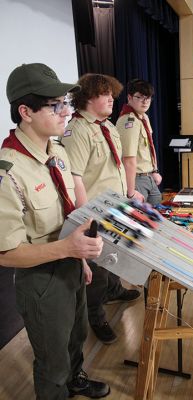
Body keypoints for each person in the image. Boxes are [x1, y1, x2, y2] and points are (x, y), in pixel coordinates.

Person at [0, 63, 110, 400]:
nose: (66, 112)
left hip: (71, 265)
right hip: (41, 278)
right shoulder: (8, 172)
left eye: (66, 103)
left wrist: (82, 260)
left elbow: (67, 217)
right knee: (52, 359)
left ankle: (76, 378)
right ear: (25, 112)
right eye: (55, 105)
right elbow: (7, 254)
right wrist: (69, 251)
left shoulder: (56, 152)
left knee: (76, 336)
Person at [61, 73, 140, 345]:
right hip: (95, 211)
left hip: (115, 206)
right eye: (105, 94)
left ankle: (115, 290)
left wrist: (128, 196)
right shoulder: (77, 130)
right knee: (96, 269)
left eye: (112, 94)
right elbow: (75, 178)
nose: (111, 99)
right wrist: (86, 218)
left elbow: (117, 167)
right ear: (87, 97)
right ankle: (95, 315)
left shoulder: (107, 126)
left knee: (115, 256)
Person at [116, 78, 162, 205]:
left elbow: (148, 148)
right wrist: (130, 192)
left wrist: (154, 171)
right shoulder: (129, 121)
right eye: (140, 97)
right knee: (141, 220)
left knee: (158, 213)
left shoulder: (143, 117)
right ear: (129, 97)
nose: (145, 101)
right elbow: (128, 159)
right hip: (136, 179)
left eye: (148, 97)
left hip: (148, 176)